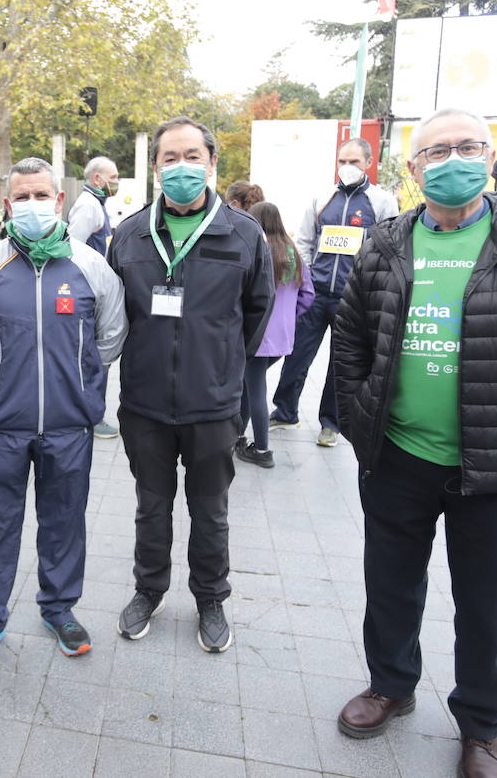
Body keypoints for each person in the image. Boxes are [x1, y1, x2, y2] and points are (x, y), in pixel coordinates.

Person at [331, 108, 497, 778]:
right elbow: (352, 338)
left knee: (487, 603)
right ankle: (390, 685)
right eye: (435, 151)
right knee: (390, 586)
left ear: (489, 157)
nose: (451, 160)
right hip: (398, 459)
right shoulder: (386, 245)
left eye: (466, 147)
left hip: (496, 470)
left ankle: (481, 727)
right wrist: (360, 416)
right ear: (414, 169)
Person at [0, 157, 127, 669]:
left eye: (41, 195)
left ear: (59, 200)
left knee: (64, 523)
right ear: (7, 205)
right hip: (1, 427)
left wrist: (74, 382)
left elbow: (110, 338)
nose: (32, 204)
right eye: (21, 197)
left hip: (69, 427)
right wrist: (6, 385)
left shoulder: (91, 267)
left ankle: (60, 609)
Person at [107, 116, 272, 653]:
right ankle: (147, 590)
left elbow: (256, 312)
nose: (182, 168)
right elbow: (114, 314)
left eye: (192, 157)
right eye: (170, 159)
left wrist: (219, 365)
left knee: (211, 510)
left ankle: (210, 599)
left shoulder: (243, 233)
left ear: (212, 163)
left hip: (213, 406)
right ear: (155, 168)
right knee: (151, 507)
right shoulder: (129, 234)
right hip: (146, 406)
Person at [269, 139, 397, 448]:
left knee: (341, 363)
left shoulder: (381, 201)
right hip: (317, 294)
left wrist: (367, 285)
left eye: (353, 161)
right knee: (297, 354)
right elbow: (304, 241)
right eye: (341, 161)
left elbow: (389, 246)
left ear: (368, 163)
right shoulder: (322, 198)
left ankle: (331, 424)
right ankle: (285, 411)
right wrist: (308, 278)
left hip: (352, 298)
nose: (346, 167)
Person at [236, 201, 314, 469]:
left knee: (255, 389)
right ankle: (237, 436)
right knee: (250, 384)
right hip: (282, 338)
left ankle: (261, 450)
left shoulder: (257, 250)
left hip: (255, 335)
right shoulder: (294, 252)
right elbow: (308, 296)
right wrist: (287, 318)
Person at [65, 155, 123, 439]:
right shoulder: (89, 206)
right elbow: (72, 248)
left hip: (97, 289)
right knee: (97, 357)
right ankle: (92, 415)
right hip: (91, 293)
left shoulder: (96, 204)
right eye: (113, 178)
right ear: (97, 179)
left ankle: (90, 411)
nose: (116, 183)